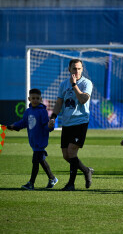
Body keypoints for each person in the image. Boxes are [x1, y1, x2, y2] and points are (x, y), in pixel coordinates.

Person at [49, 59, 94, 191]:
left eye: (79, 68)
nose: (77, 71)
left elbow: (83, 99)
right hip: (66, 123)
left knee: (71, 152)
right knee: (66, 155)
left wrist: (74, 85)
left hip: (80, 121)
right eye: (74, 68)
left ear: (82, 69)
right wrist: (53, 117)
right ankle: (86, 170)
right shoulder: (63, 84)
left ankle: (71, 184)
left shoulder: (86, 83)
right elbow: (59, 103)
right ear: (69, 69)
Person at [7, 88, 58, 190]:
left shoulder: (42, 112)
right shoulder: (28, 111)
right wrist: (14, 126)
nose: (35, 100)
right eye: (33, 98)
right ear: (29, 99)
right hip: (33, 142)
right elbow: (23, 123)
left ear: (41, 99)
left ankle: (31, 183)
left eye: (37, 98)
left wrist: (49, 126)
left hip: (40, 142)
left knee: (35, 162)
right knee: (41, 161)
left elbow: (45, 126)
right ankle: (52, 178)